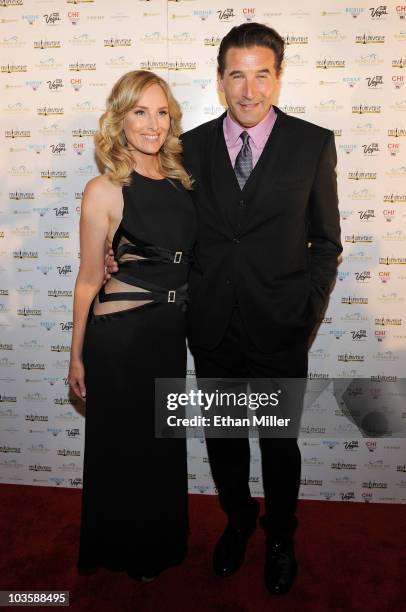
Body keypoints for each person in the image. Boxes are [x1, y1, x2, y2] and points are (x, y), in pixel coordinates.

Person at [106, 22, 342, 594]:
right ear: (219, 80)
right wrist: (121, 257)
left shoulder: (313, 143)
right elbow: (160, 215)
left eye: (262, 74)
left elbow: (326, 242)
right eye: (237, 74)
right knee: (226, 441)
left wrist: (305, 312)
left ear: (278, 77)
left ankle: (280, 534)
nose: (249, 89)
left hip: (282, 325)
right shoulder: (196, 147)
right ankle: (237, 522)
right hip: (211, 326)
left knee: (279, 444)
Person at [68, 70, 196, 581]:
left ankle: (156, 543)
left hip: (168, 335)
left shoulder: (183, 183)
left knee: (159, 447)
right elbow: (86, 279)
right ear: (120, 119)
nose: (152, 123)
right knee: (123, 447)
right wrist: (75, 355)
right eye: (140, 111)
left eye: (161, 111)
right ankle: (123, 549)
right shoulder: (104, 189)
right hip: (118, 341)